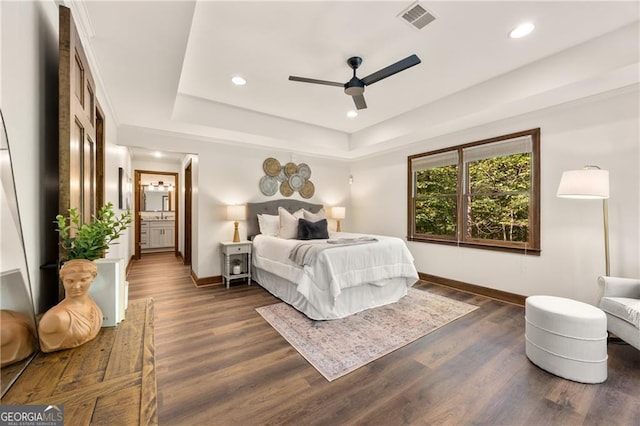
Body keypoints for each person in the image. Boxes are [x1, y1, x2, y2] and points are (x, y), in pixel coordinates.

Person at [38, 259, 103, 352]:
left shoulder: (91, 303)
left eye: (83, 280)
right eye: (70, 281)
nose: (76, 286)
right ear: (62, 280)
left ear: (93, 278)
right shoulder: (56, 317)